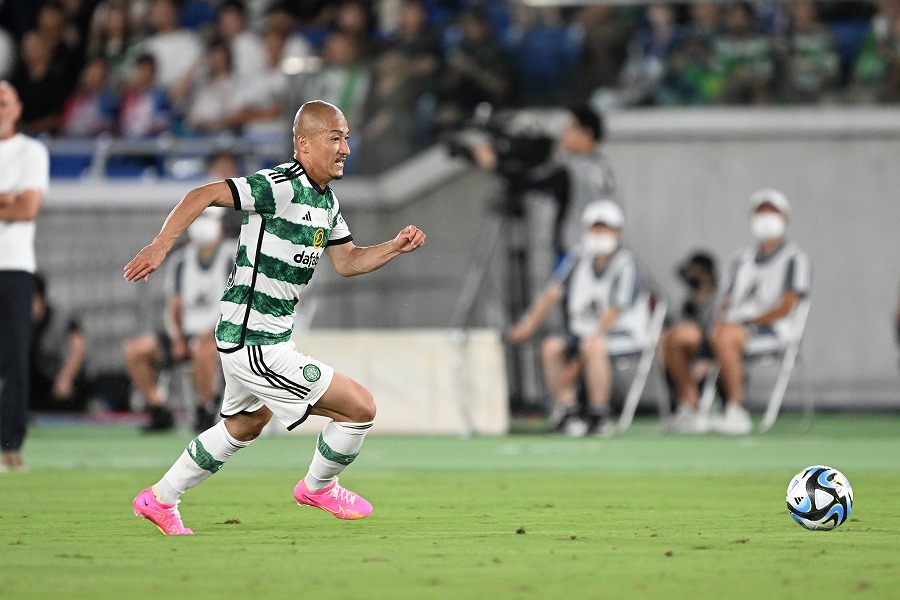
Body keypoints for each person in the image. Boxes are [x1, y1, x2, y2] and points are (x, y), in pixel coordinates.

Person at [125, 100, 426, 534]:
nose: (344, 148)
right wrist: (160, 246)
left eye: (346, 138)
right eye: (334, 138)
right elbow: (202, 195)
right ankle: (319, 487)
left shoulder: (326, 203)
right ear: (303, 144)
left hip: (264, 337)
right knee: (360, 408)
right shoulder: (278, 186)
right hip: (254, 340)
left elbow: (348, 261)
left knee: (245, 424)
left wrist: (393, 247)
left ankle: (160, 498)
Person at [506, 200, 649, 437]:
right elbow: (552, 293)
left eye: (605, 228)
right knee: (551, 347)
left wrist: (577, 362)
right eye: (596, 228)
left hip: (622, 334)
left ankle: (599, 414)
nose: (600, 234)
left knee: (594, 346)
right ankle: (568, 411)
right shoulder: (577, 258)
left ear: (617, 232)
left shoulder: (626, 265)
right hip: (582, 331)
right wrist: (528, 325)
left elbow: (613, 313)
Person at [123, 207, 236, 433]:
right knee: (135, 350)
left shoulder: (233, 255)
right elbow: (173, 306)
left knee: (202, 348)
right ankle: (158, 408)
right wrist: (176, 337)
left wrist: (214, 331)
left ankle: (206, 407)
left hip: (219, 332)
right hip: (186, 332)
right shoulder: (181, 260)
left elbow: (236, 303)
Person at [708, 189, 810, 435]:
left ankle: (737, 409)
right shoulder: (741, 258)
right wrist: (722, 323)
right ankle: (692, 409)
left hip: (772, 329)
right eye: (760, 212)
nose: (765, 219)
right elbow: (727, 301)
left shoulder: (795, 258)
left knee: (725, 337)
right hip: (734, 326)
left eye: (771, 212)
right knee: (684, 337)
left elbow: (787, 306)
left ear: (784, 218)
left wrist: (749, 322)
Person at [472, 104, 617, 257]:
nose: (562, 133)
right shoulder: (604, 169)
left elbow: (527, 184)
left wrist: (494, 163)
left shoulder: (574, 172)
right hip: (601, 253)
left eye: (569, 128)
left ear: (586, 133)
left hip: (576, 253)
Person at [0, 81, 49, 472]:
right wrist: (7, 199)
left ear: (17, 108)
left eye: (3, 103)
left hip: (14, 266)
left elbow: (27, 209)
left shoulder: (31, 151)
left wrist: (16, 203)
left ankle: (10, 444)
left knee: (15, 357)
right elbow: (15, 205)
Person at [662, 250, 719, 433]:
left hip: (711, 354)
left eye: (697, 273)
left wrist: (707, 359)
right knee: (667, 342)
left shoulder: (718, 300)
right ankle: (686, 405)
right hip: (686, 356)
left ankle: (699, 405)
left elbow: (717, 333)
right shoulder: (687, 303)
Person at [30, 273, 89, 413]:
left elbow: (78, 350)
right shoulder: (19, 324)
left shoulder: (62, 318)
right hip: (38, 384)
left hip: (63, 380)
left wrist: (65, 378)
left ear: (40, 298)